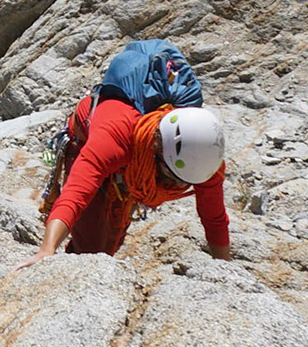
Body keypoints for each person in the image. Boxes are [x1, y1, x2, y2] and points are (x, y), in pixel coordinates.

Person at [19, 55, 229, 266]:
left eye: (184, 183)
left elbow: (214, 218)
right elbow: (76, 194)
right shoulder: (116, 135)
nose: (176, 186)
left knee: (110, 241)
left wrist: (224, 269)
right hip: (88, 143)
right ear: (156, 148)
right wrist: (47, 250)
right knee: (92, 247)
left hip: (131, 161)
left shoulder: (205, 157)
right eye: (172, 178)